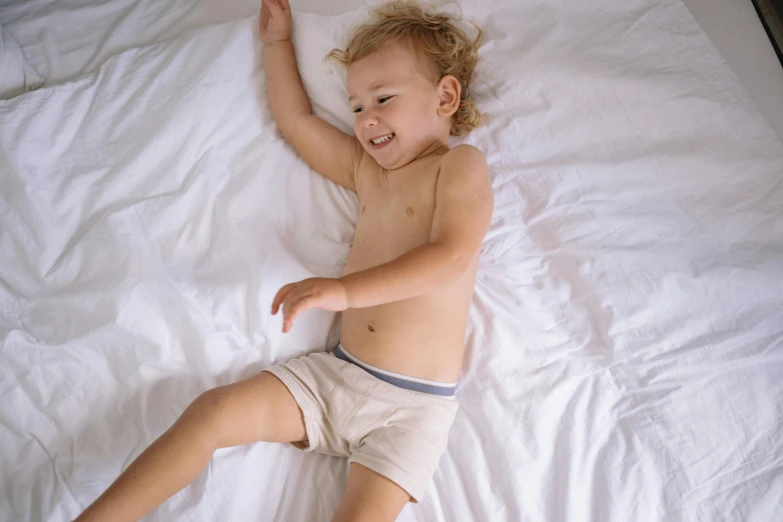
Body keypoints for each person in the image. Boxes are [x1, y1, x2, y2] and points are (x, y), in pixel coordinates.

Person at [76, 0, 492, 520]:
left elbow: (451, 257)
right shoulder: (368, 173)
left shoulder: (458, 166)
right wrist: (276, 45)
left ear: (445, 96)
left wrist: (343, 292)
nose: (368, 119)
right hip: (336, 376)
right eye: (357, 106)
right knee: (213, 412)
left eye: (383, 98)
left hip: (412, 411)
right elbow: (296, 122)